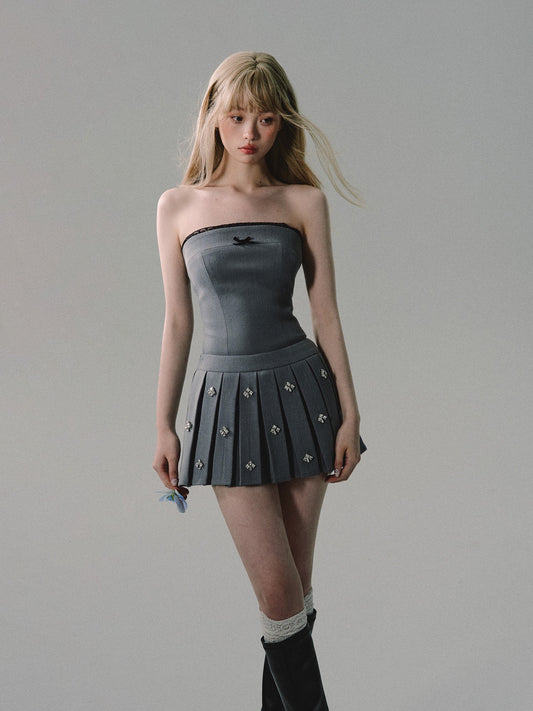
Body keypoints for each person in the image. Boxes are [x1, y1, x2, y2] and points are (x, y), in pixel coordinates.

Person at [152, 50, 367, 710]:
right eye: (237, 115)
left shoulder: (304, 201)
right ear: (212, 116)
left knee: (294, 593)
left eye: (267, 118)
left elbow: (326, 313)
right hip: (223, 407)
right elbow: (178, 322)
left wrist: (351, 415)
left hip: (304, 395)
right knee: (277, 595)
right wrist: (163, 424)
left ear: (282, 123)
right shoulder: (176, 205)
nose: (250, 132)